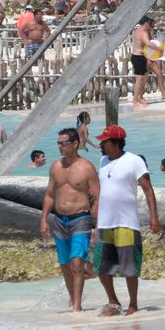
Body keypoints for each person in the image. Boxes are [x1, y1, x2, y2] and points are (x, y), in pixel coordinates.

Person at [92, 124, 161, 316]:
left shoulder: (135, 161)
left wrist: (154, 217)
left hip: (127, 223)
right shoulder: (103, 161)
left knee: (129, 268)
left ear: (116, 143)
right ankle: (113, 301)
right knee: (101, 266)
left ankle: (133, 304)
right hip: (105, 223)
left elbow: (148, 189)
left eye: (105, 142)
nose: (102, 145)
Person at [40, 127, 100, 313]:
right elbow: (49, 195)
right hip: (59, 220)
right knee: (65, 264)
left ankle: (77, 306)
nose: (60, 147)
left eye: (64, 143)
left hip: (80, 219)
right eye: (58, 143)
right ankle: (73, 298)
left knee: (77, 263)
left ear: (75, 144)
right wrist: (43, 219)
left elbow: (98, 198)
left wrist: (96, 226)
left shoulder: (87, 168)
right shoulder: (55, 167)